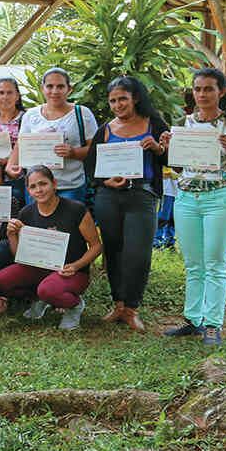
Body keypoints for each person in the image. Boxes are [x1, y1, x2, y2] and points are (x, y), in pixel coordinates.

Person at [163, 68, 226, 346]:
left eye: (208, 89)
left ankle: (213, 324)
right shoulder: (183, 123)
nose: (202, 94)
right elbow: (179, 167)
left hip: (219, 198)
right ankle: (193, 320)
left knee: (215, 263)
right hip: (186, 199)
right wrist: (168, 149)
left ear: (221, 91)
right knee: (193, 264)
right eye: (198, 89)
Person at [83, 76, 170, 332]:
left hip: (142, 195)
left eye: (123, 99)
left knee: (138, 253)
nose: (118, 105)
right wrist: (106, 181)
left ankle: (132, 308)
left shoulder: (154, 124)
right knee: (114, 250)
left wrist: (158, 149)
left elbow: (172, 162)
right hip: (109, 197)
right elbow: (91, 166)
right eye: (113, 101)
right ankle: (118, 304)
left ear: (136, 98)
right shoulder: (105, 130)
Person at [0, 166, 102, 331]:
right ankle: (39, 299)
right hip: (38, 268)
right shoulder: (26, 213)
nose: (39, 190)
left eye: (43, 184)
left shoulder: (76, 209)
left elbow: (96, 246)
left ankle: (74, 305)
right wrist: (12, 235)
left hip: (71, 271)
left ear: (54, 184)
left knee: (48, 290)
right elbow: (19, 256)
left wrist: (76, 266)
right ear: (28, 191)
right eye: (33, 186)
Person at [6, 68, 98, 204]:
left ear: (69, 89)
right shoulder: (30, 115)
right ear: (42, 88)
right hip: (36, 187)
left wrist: (74, 152)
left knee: (69, 218)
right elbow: (21, 144)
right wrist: (11, 165)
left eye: (60, 86)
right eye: (50, 86)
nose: (54, 91)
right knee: (36, 218)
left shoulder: (82, 113)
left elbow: (95, 149)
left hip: (70, 185)